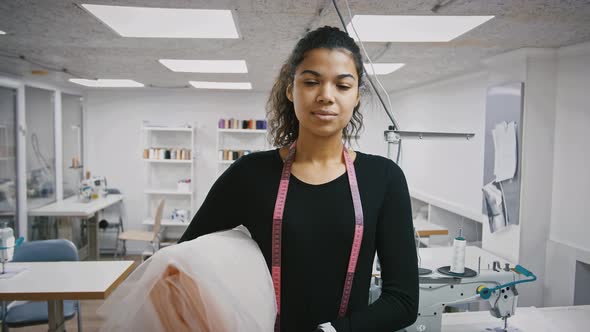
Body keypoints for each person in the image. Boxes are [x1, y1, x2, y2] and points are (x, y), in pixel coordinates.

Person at [179, 26, 418, 332]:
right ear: (291, 89)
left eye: (343, 86)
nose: (326, 96)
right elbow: (182, 262)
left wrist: (334, 331)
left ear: (358, 96)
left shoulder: (384, 179)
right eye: (311, 82)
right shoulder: (249, 174)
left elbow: (404, 301)